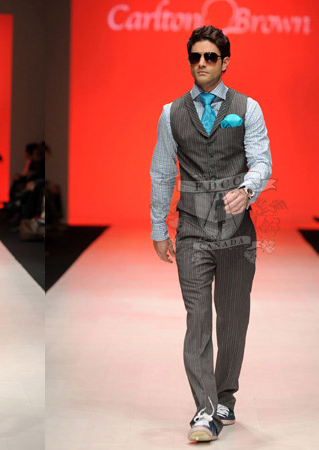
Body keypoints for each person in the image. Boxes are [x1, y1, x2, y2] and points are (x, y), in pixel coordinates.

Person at [150, 25, 272, 443]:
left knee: (233, 318)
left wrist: (247, 189)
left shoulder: (248, 108)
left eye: (210, 56)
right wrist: (158, 227)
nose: (201, 63)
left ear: (225, 62)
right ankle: (204, 410)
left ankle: (224, 396)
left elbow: (262, 161)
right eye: (195, 56)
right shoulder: (171, 113)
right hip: (191, 229)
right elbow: (162, 172)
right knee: (197, 318)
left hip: (237, 232)